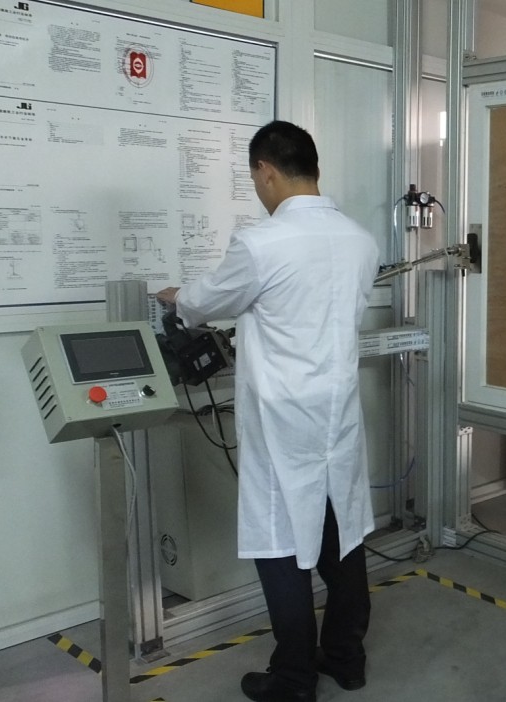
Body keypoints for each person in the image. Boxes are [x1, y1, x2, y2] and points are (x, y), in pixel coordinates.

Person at [157, 120, 380, 702]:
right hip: (336, 416)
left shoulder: (261, 243)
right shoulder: (360, 240)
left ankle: (294, 679)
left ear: (266, 170)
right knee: (341, 535)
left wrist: (177, 297)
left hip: (284, 421)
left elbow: (204, 301)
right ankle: (346, 659)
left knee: (280, 547)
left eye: (255, 177)